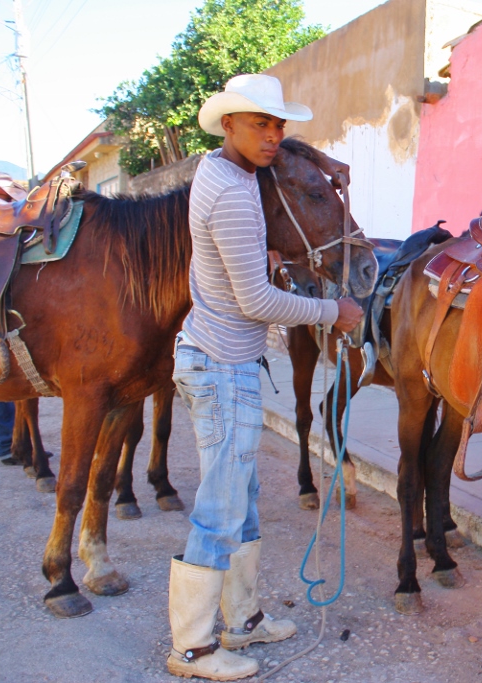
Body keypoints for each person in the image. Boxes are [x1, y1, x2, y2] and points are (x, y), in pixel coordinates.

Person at [165, 74, 363, 681]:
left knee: (241, 500)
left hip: (228, 359)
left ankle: (242, 618)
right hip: (222, 364)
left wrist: (264, 255)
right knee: (220, 509)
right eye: (260, 123)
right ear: (228, 124)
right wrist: (334, 311)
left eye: (278, 124)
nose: (272, 135)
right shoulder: (231, 191)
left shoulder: (228, 173)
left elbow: (239, 270)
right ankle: (192, 649)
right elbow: (253, 301)